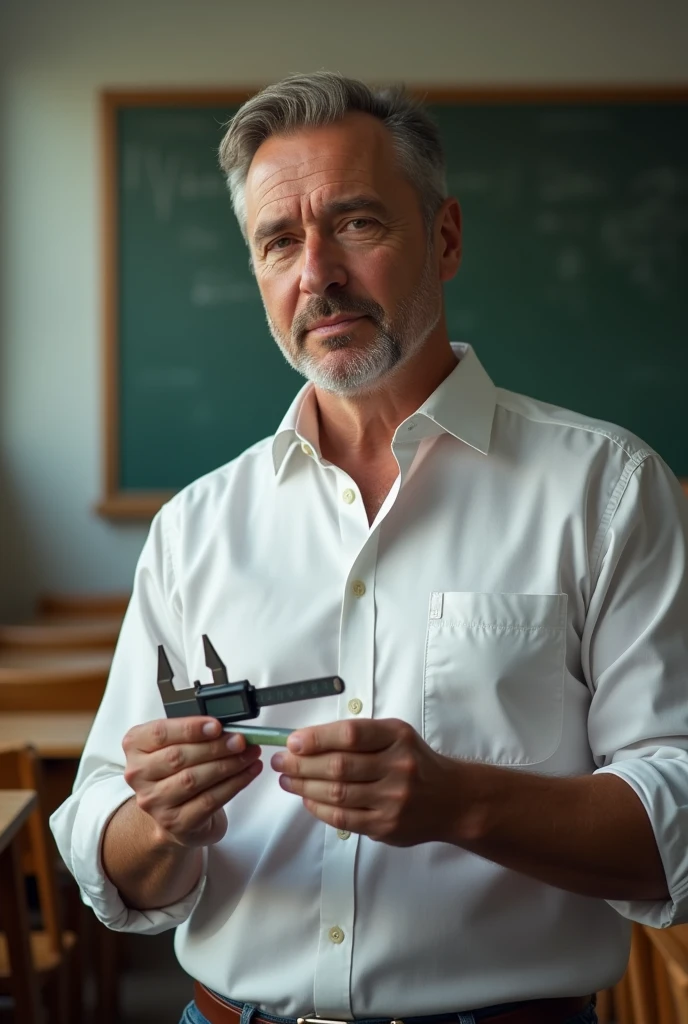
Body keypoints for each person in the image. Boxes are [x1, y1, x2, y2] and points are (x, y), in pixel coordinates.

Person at [50, 72, 688, 1024]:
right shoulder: (193, 528)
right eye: (278, 242)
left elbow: (676, 812)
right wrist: (162, 823)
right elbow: (107, 848)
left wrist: (458, 803)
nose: (317, 273)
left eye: (355, 224)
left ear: (446, 237)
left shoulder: (610, 489)